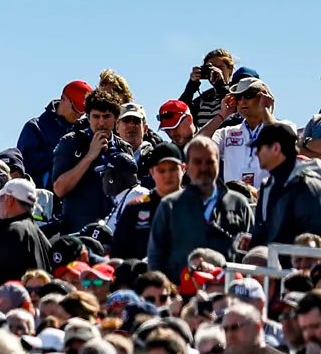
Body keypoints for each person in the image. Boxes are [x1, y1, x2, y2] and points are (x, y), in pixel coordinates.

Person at [149, 136, 254, 280]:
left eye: (210, 161)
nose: (204, 168)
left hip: (229, 293)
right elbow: (156, 257)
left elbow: (253, 254)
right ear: (187, 166)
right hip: (182, 293)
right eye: (197, 162)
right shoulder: (170, 205)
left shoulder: (238, 204)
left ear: (218, 163)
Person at [51, 89, 136, 232]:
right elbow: (59, 189)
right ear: (88, 118)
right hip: (78, 233)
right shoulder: (71, 142)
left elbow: (131, 191)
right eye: (96, 117)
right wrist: (90, 155)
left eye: (106, 116)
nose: (101, 123)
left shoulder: (124, 148)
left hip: (113, 233)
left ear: (115, 118)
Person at [244, 120, 321, 249]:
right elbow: (267, 231)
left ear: (275, 148)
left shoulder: (306, 185)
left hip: (298, 266)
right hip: (274, 264)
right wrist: (254, 241)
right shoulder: (267, 186)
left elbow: (313, 238)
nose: (256, 153)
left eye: (260, 147)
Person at [108, 141, 183, 259]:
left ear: (183, 169)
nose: (168, 175)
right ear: (152, 172)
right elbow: (118, 254)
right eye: (162, 170)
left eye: (173, 169)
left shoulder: (196, 204)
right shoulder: (135, 208)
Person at [209, 75, 278, 190]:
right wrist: (222, 115)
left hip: (270, 203)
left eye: (248, 95)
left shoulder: (285, 126)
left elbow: (280, 140)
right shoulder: (226, 133)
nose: (242, 101)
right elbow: (196, 146)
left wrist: (265, 110)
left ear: (264, 97)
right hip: (235, 204)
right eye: (238, 97)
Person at [19, 79, 91, 187]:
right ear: (63, 99)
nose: (79, 114)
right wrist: (61, 152)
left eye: (83, 112)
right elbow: (25, 164)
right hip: (42, 199)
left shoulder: (84, 130)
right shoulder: (35, 127)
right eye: (76, 108)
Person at [0, 178, 52, 284]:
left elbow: (2, 277)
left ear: (10, 200)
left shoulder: (14, 231)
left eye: (1, 200)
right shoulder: (39, 233)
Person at [180, 48, 236, 127]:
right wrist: (191, 87)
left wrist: (221, 85)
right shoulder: (204, 98)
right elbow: (179, 113)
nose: (215, 72)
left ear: (230, 69)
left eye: (219, 68)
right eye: (211, 69)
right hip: (203, 138)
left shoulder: (239, 91)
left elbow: (235, 104)